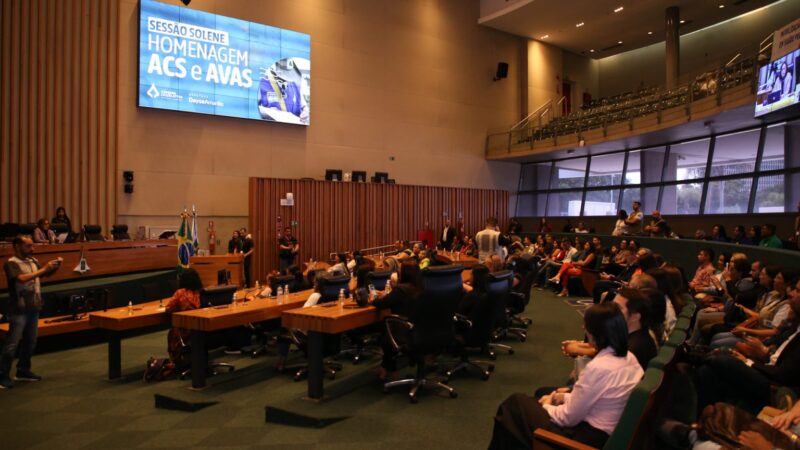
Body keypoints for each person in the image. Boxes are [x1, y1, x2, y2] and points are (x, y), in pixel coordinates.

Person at [489, 302, 643, 449]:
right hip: (602, 431)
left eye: (586, 326)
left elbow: (567, 418)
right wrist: (562, 397)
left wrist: (547, 405)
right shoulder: (630, 358)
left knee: (514, 404)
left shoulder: (599, 367)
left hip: (583, 438)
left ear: (596, 333)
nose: (584, 328)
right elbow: (596, 400)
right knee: (520, 412)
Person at [1, 236, 63, 388]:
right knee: (12, 344)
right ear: (17, 246)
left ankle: (23, 370)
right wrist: (44, 268)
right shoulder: (11, 263)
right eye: (28, 246)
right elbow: (21, 279)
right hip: (19, 309)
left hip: (34, 307)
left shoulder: (33, 261)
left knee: (30, 341)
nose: (32, 249)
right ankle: (2, 375)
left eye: (32, 246)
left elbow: (43, 275)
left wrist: (54, 267)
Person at [165, 269, 203, 369]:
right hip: (202, 327)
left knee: (172, 332)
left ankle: (179, 361)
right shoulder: (201, 292)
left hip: (187, 331)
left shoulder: (180, 293)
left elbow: (168, 309)